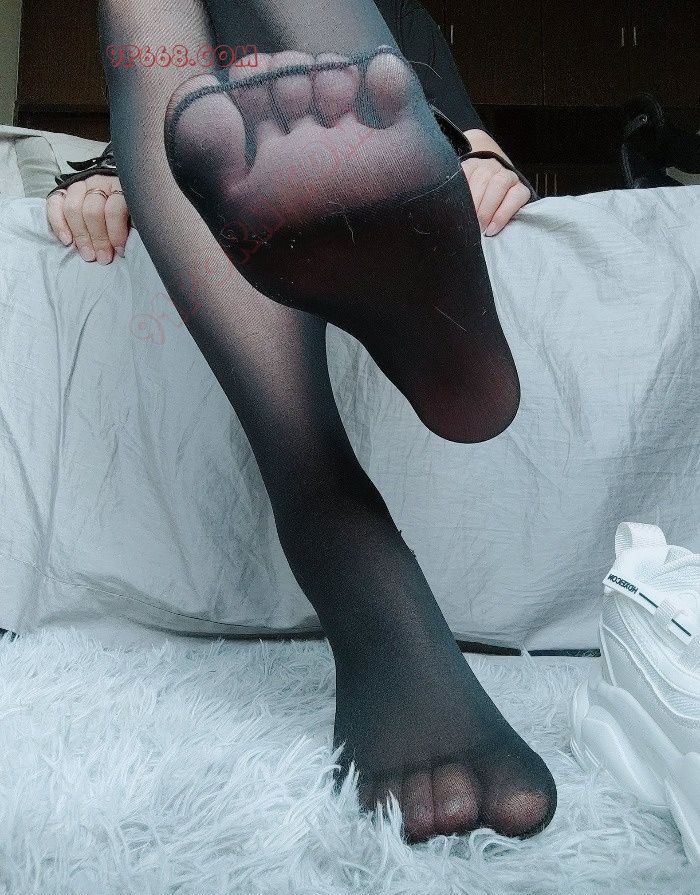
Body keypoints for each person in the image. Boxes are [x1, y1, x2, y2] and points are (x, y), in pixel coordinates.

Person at [49, 0, 557, 845]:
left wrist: (482, 162)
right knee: (190, 96)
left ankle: (349, 541)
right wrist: (102, 181)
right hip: (204, 142)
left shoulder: (399, 21)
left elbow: (475, 143)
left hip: (364, 110)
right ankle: (435, 330)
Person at [46, 0, 536, 266]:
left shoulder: (396, 13)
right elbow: (145, 143)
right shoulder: (167, 19)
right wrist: (116, 179)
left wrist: (487, 171)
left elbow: (476, 146)